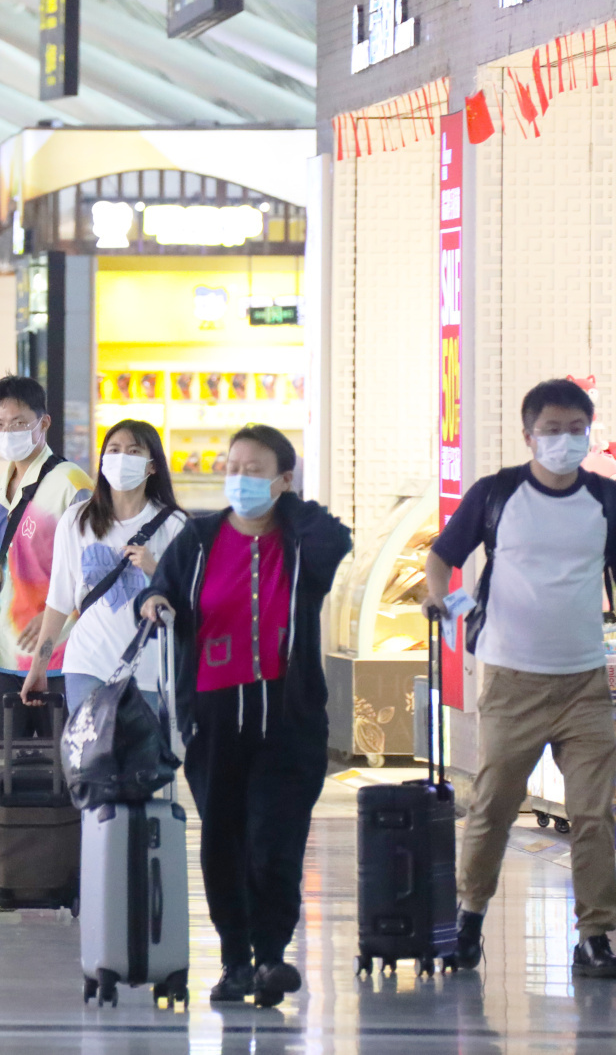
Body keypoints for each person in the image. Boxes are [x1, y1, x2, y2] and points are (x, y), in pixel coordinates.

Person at [139, 424, 350, 1008]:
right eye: (233, 468)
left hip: (290, 720)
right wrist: (153, 600)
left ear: (284, 480)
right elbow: (160, 588)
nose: (240, 479)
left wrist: (287, 506)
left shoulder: (304, 542)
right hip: (214, 719)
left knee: (275, 839)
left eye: (255, 470)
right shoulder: (199, 538)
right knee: (224, 841)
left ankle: (272, 955)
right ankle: (236, 961)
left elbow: (337, 538)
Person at [427, 378, 616, 979]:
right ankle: (468, 918)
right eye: (552, 429)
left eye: (576, 429)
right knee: (494, 805)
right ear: (528, 434)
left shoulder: (606, 500)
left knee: (595, 814)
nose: (565, 440)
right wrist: (439, 596)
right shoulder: (498, 493)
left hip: (585, 683)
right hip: (513, 680)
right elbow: (442, 555)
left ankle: (595, 935)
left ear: (589, 432)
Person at [0, 376, 93, 752]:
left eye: (18, 424)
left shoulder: (72, 485)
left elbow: (93, 573)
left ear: (43, 423)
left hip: (58, 657)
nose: (7, 433)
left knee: (63, 766)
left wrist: (52, 619)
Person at [21, 419, 186, 714]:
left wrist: (156, 569)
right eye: (114, 450)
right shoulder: (76, 520)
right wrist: (39, 666)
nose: (122, 458)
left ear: (152, 466)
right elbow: (59, 600)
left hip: (151, 672)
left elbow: (191, 600)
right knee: (90, 745)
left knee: (143, 747)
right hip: (87, 665)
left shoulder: (174, 525)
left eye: (134, 451)